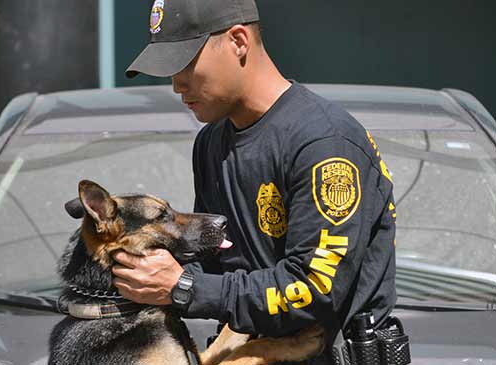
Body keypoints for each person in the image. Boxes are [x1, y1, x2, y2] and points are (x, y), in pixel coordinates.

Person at [112, 0, 397, 363]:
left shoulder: (325, 144)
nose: (176, 84)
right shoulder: (213, 140)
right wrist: (141, 270)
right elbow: (220, 261)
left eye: (185, 63)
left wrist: (183, 287)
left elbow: (314, 290)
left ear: (238, 41)